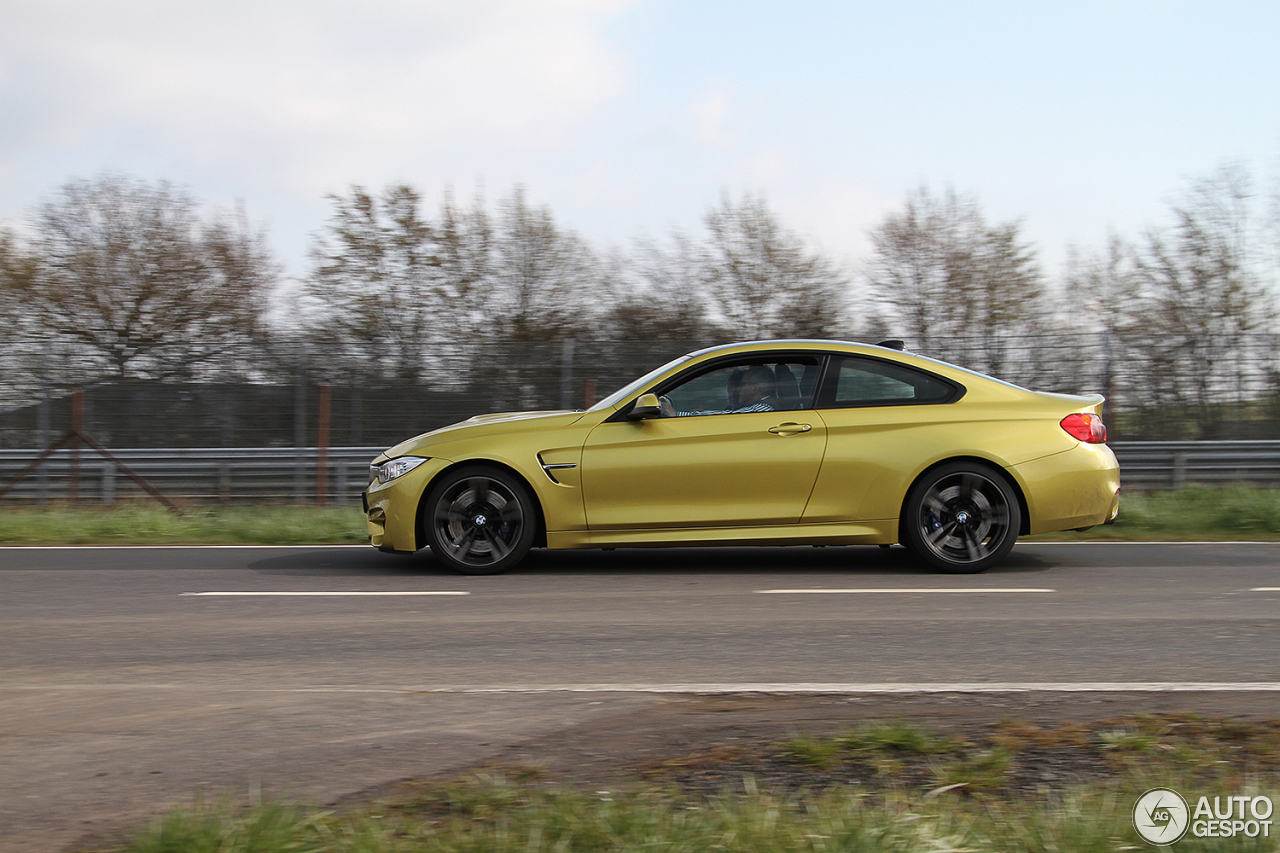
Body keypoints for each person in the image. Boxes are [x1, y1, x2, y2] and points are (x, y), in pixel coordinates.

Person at [660, 365, 777, 417]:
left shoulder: (762, 409)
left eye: (742, 384)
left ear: (755, 388)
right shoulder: (760, 408)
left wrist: (676, 414)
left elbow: (729, 417)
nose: (738, 389)